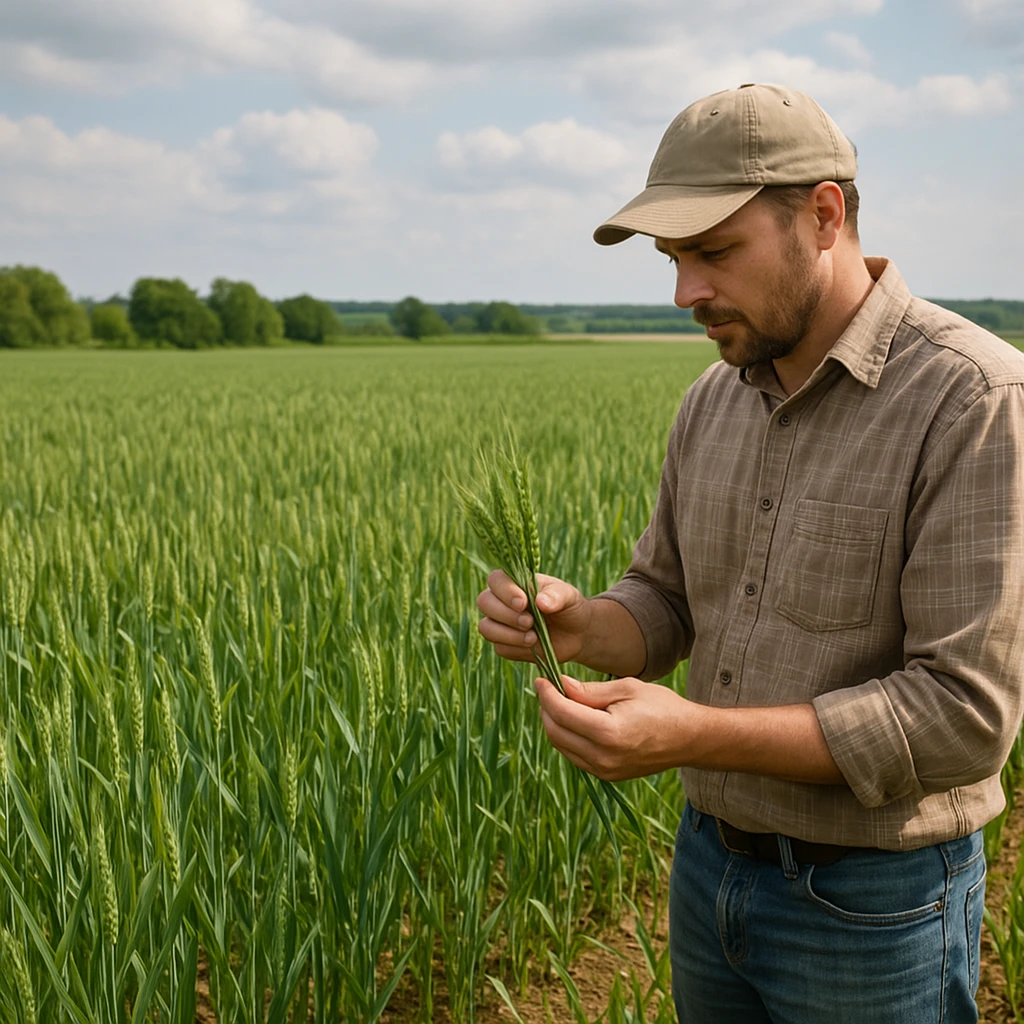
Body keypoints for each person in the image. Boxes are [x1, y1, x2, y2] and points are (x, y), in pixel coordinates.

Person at [475, 82, 1024, 1023]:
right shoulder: (712, 398)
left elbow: (962, 716)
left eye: (715, 252)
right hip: (708, 870)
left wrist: (692, 733)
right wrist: (581, 622)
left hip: (874, 906)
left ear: (823, 214)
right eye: (673, 260)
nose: (687, 292)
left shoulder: (973, 399)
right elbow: (666, 602)